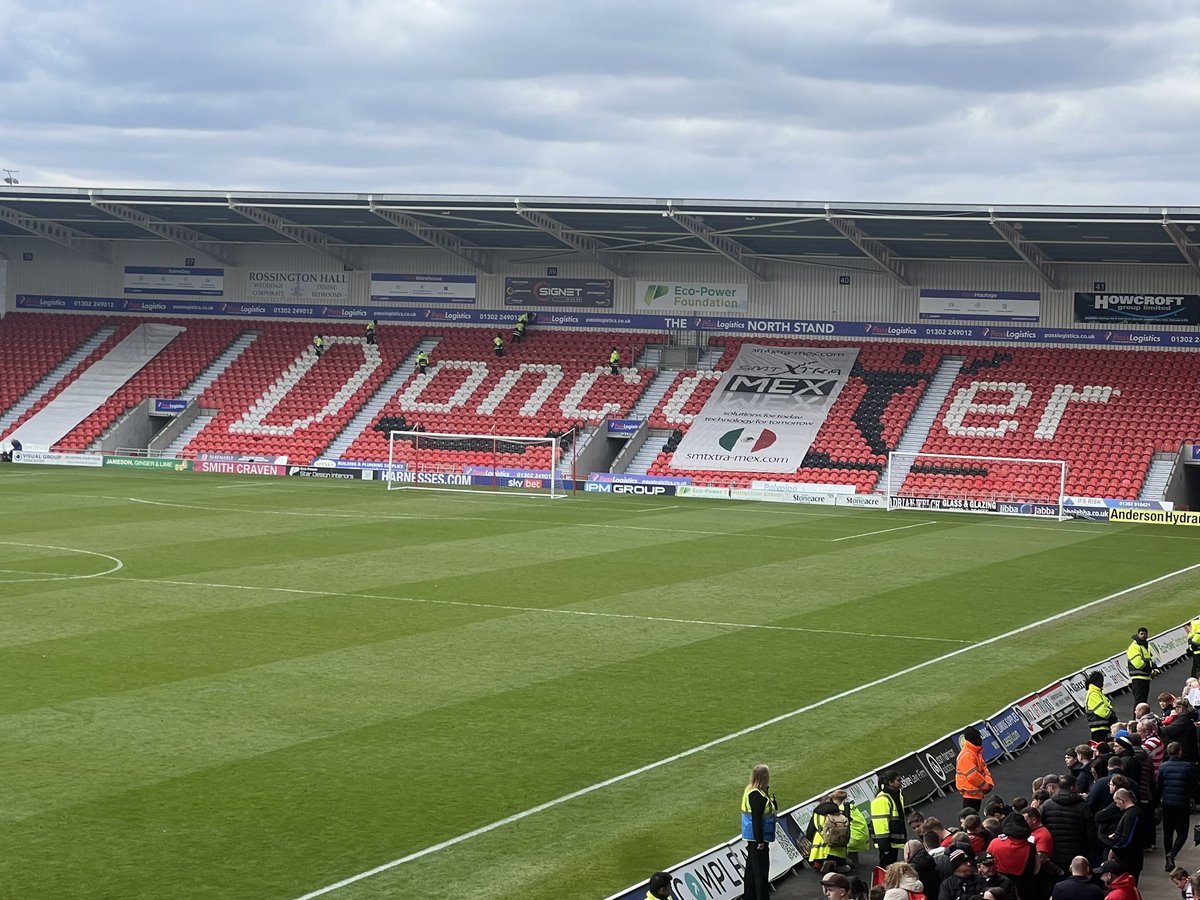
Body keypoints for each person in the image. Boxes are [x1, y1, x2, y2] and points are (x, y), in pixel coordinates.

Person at [1040, 773, 1097, 874]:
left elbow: (1041, 827)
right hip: (1076, 852)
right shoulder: (1083, 807)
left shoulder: (1046, 805)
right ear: (1073, 787)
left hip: (1053, 853)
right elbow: (1090, 833)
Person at [1157, 741, 1196, 872]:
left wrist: (1158, 801)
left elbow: (1159, 785)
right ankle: (1172, 853)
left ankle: (1168, 858)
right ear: (1180, 752)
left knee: (1168, 832)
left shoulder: (1163, 767)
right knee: (1182, 833)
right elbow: (1193, 784)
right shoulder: (1188, 767)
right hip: (1182, 803)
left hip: (1167, 803)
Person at [741, 764, 777, 900]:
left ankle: (749, 897)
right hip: (758, 838)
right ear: (764, 777)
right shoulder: (757, 796)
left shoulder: (750, 790)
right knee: (760, 872)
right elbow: (757, 819)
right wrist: (760, 841)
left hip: (751, 836)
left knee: (751, 871)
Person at [1099, 788, 1143, 883]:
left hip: (1129, 859)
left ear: (1122, 801)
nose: (1116, 805)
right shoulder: (1131, 813)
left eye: (1116, 802)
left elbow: (1128, 838)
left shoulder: (1131, 815)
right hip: (1128, 858)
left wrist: (1114, 849)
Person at [807, 793, 852, 873]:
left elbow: (809, 832)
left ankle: (819, 863)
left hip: (820, 848)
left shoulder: (817, 814)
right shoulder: (840, 813)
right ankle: (836, 864)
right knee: (843, 867)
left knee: (817, 836)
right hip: (838, 847)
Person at [872, 771, 908, 868]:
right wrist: (884, 845)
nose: (901, 782)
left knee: (891, 866)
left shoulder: (896, 795)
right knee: (886, 867)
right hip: (887, 843)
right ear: (890, 783)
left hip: (894, 841)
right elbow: (880, 822)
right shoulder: (882, 800)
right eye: (898, 780)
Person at [957, 726, 994, 812]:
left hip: (976, 793)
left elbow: (984, 769)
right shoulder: (967, 755)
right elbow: (973, 777)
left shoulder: (974, 752)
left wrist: (988, 783)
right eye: (979, 737)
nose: (981, 739)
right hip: (971, 794)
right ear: (974, 739)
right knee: (970, 820)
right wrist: (986, 786)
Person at [1126, 628, 1158, 714]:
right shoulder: (1134, 647)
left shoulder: (1145, 646)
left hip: (1145, 677)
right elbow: (1138, 663)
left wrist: (1155, 668)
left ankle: (1141, 719)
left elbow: (1150, 660)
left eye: (1145, 634)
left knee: (1143, 702)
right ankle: (1136, 720)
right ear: (1138, 634)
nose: (1143, 636)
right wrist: (1150, 671)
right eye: (1141, 634)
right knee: (1139, 702)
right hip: (1138, 678)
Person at [1086, 672, 1118, 742]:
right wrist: (1112, 716)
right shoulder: (1093, 694)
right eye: (1101, 682)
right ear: (1096, 682)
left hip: (1101, 727)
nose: (1102, 684)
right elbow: (1102, 711)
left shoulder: (1097, 692)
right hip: (1098, 728)